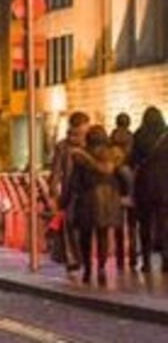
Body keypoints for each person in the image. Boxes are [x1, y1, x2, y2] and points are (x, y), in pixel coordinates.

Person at [62, 126, 125, 285]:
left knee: (86, 235)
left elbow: (74, 182)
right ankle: (102, 267)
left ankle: (88, 268)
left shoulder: (81, 157)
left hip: (87, 199)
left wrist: (65, 200)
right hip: (109, 199)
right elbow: (122, 178)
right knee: (103, 234)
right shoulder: (113, 157)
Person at [50, 111, 90, 273]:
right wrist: (54, 190)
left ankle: (75, 257)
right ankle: (75, 257)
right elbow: (57, 170)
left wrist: (54, 188)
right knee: (72, 225)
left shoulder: (83, 144)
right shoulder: (68, 146)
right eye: (85, 126)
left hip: (77, 190)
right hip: (74, 191)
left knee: (76, 226)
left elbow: (56, 170)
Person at [132, 106, 166, 272]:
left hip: (144, 185)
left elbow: (133, 159)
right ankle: (166, 260)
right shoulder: (165, 135)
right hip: (165, 186)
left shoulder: (139, 135)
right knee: (164, 224)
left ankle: (146, 261)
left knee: (144, 224)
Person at [110, 113, 136, 270]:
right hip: (130, 188)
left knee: (118, 227)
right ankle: (132, 258)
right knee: (132, 226)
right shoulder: (133, 138)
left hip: (115, 188)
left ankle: (120, 259)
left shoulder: (110, 138)